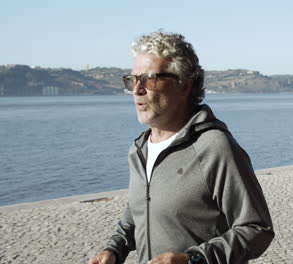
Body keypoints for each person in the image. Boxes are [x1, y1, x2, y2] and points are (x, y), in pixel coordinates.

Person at [88, 31, 274, 264]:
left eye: (149, 79)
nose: (136, 89)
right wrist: (114, 249)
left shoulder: (214, 146)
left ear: (184, 85)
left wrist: (193, 259)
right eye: (132, 80)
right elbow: (138, 211)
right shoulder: (139, 150)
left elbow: (257, 228)